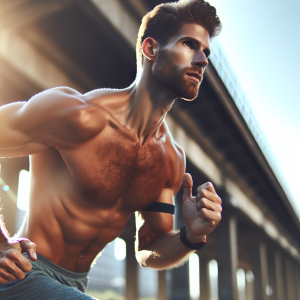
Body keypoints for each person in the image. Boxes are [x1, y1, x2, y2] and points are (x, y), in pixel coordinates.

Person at [0, 0, 222, 299]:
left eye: (205, 52)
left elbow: (149, 249)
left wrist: (191, 235)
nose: (202, 59)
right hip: (21, 275)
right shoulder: (77, 116)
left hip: (77, 285)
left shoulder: (169, 159)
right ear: (150, 49)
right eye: (189, 44)